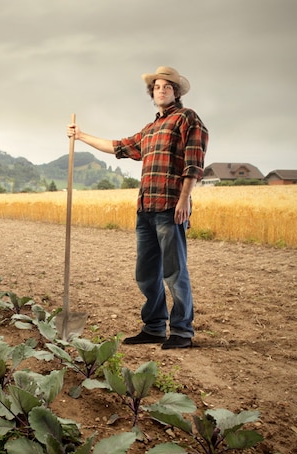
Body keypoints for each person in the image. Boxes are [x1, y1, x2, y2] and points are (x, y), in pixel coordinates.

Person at [66, 66, 208, 349]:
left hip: (170, 207)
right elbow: (118, 146)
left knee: (174, 272)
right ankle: (154, 327)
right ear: (152, 92)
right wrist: (81, 136)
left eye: (167, 86)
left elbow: (194, 163)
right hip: (145, 209)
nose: (161, 90)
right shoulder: (151, 129)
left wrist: (184, 199)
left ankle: (182, 332)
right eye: (157, 86)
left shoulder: (187, 119)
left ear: (176, 92)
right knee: (146, 273)